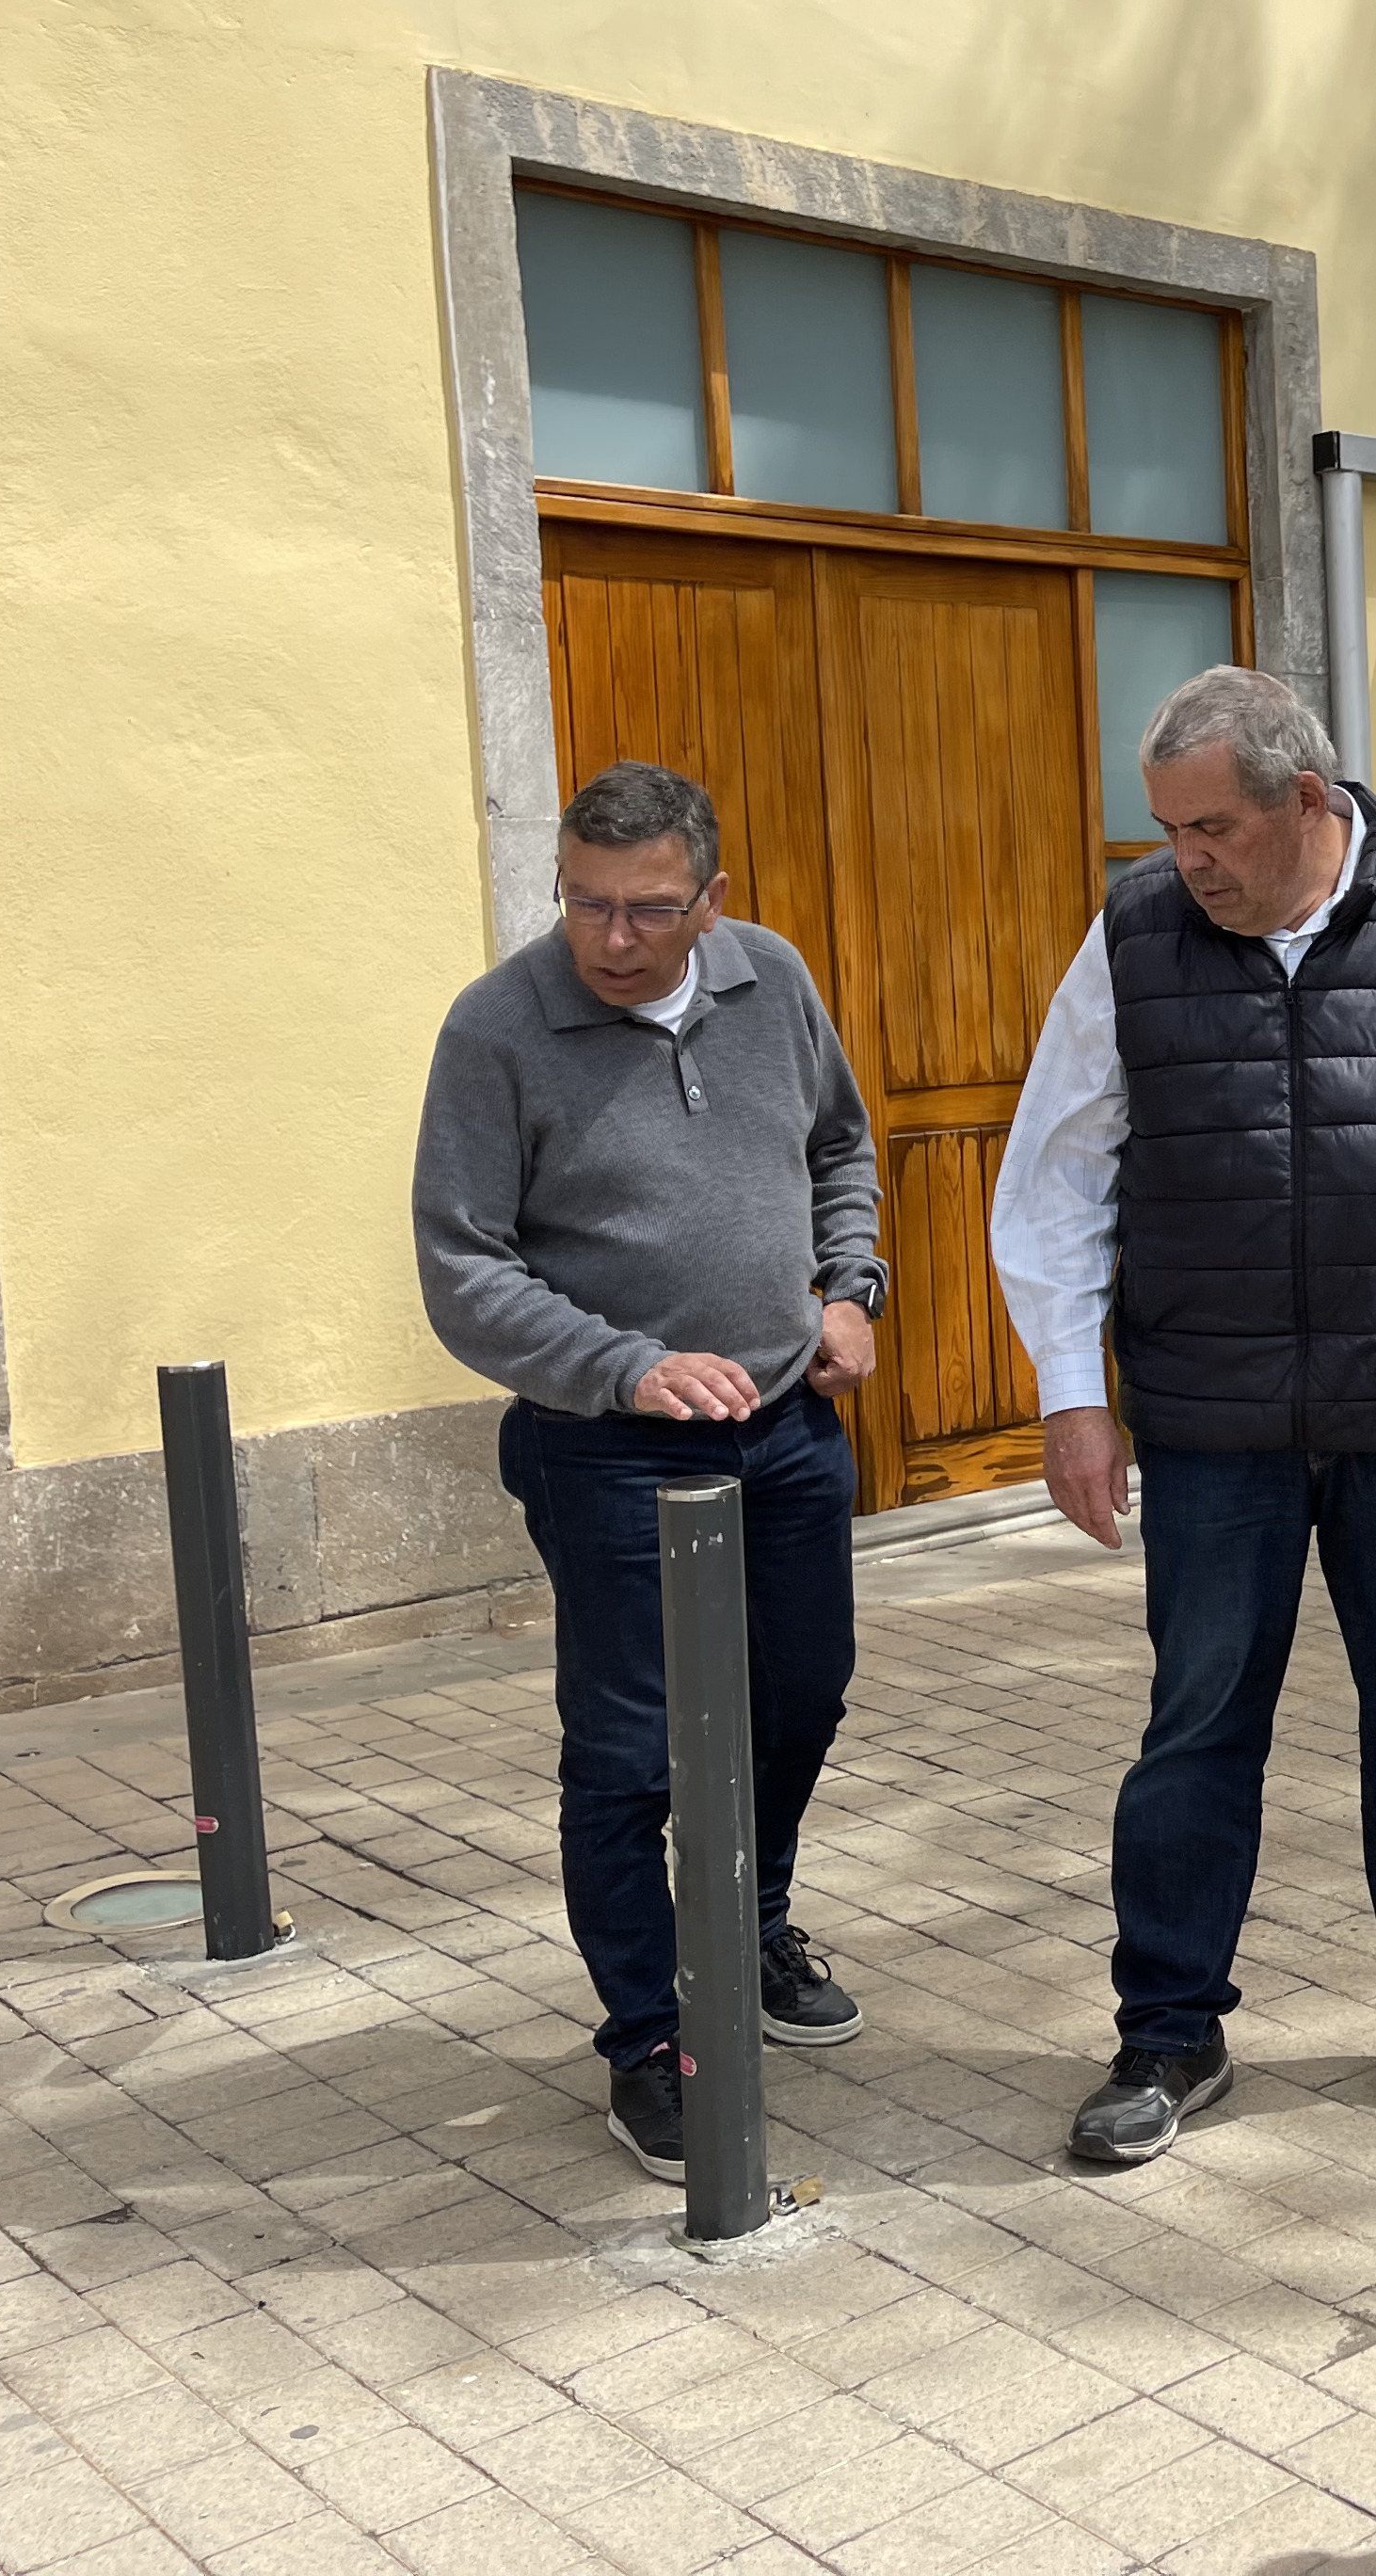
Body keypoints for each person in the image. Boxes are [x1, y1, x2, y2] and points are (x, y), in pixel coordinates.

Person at [991, 667, 1376, 2167]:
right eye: (1166, 827)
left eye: (1210, 826)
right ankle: (1168, 2034)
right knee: (1197, 1728)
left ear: (1309, 804)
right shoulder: (1136, 937)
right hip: (1214, 1419)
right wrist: (1074, 1398)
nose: (1183, 858)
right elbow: (1055, 1177)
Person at [413, 760, 887, 2184]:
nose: (611, 939)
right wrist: (625, 1366)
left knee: (803, 1692)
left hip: (788, 1424)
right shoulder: (498, 1028)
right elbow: (461, 1269)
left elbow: (840, 1144)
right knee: (630, 1751)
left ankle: (747, 1927)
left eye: (649, 911)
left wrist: (851, 1287)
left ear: (714, 903)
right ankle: (645, 2041)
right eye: (585, 905)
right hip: (607, 1447)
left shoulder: (772, 979)